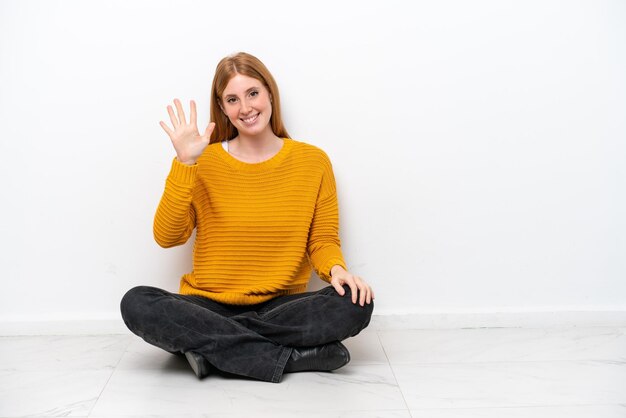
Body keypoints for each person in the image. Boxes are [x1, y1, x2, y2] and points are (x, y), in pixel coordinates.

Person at [120, 52, 374, 383]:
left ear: (270, 93)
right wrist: (184, 164)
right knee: (137, 303)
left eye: (253, 93)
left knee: (355, 303)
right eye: (232, 99)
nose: (246, 107)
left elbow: (322, 239)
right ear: (222, 107)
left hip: (281, 307)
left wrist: (337, 271)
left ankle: (211, 351)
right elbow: (168, 237)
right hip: (208, 305)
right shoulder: (203, 161)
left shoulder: (313, 162)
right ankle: (291, 357)